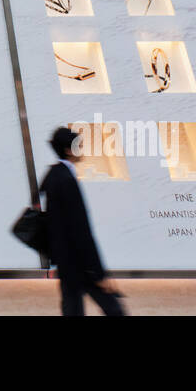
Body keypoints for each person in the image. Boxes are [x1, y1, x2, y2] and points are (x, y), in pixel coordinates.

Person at [39, 126, 125, 317]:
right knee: (113, 308)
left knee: (72, 309)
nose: (83, 148)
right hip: (81, 263)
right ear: (69, 150)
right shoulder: (66, 180)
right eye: (80, 145)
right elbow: (81, 230)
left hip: (66, 262)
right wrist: (98, 272)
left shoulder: (54, 176)